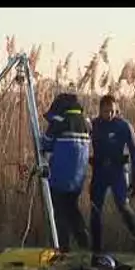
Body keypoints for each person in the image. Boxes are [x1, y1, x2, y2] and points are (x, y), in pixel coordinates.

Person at [89, 94, 135, 255]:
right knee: (95, 209)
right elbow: (81, 144)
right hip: (100, 172)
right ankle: (96, 249)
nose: (110, 115)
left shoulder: (123, 126)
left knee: (123, 205)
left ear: (117, 110)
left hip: (118, 172)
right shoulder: (94, 125)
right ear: (100, 110)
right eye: (106, 111)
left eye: (113, 111)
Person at [41, 93, 91, 253]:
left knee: (59, 212)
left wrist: (41, 139)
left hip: (59, 177)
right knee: (72, 210)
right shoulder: (85, 123)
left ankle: (63, 247)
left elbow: (46, 144)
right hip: (77, 179)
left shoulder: (59, 122)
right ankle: (85, 244)